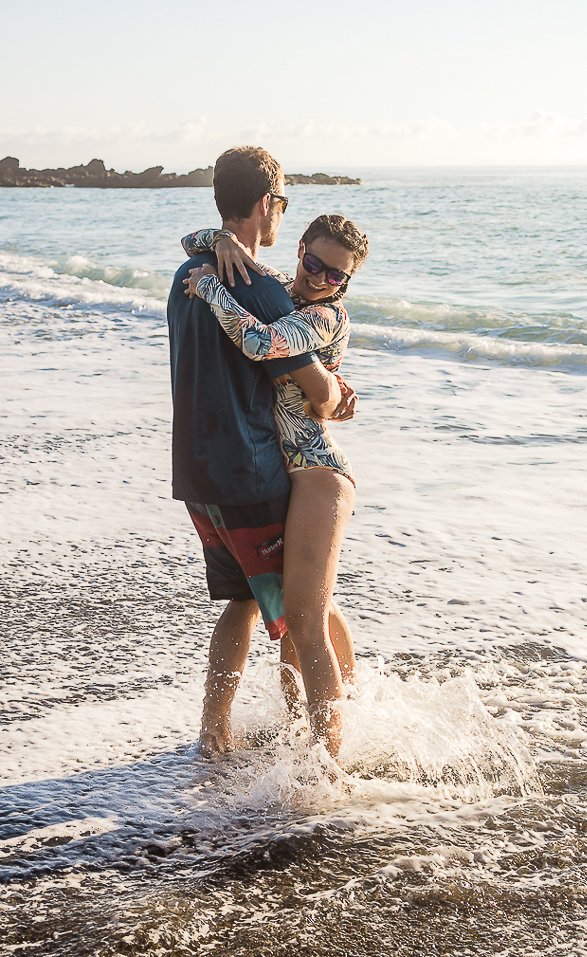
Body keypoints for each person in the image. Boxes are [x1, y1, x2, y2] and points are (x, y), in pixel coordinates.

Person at [167, 145, 356, 759]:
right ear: (268, 207)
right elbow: (320, 391)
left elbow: (312, 377)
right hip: (249, 472)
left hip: (196, 475)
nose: (320, 279)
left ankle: (220, 733)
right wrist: (335, 390)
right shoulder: (263, 291)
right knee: (300, 616)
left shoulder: (188, 271)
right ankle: (323, 748)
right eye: (315, 264)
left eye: (337, 276)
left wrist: (220, 243)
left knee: (259, 604)